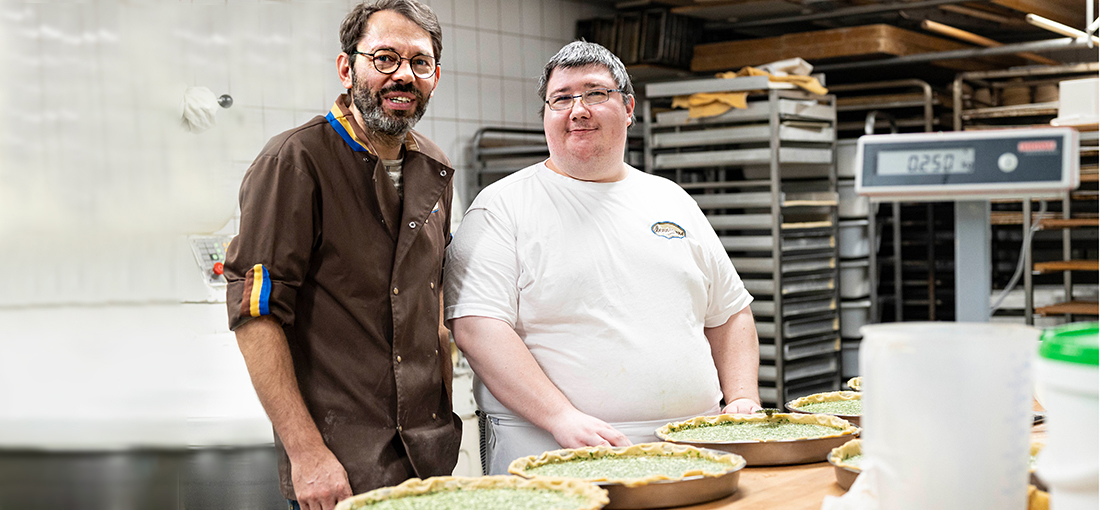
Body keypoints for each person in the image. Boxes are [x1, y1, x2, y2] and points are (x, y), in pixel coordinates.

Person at [443, 41, 762, 475]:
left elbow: (730, 312)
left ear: (628, 107)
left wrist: (742, 397)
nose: (578, 110)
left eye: (595, 93)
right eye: (562, 98)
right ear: (546, 115)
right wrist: (561, 417)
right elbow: (478, 328)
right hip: (552, 449)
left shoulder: (670, 199)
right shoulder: (502, 207)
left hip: (691, 446)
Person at [224, 1, 460, 509]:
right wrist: (306, 454)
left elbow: (432, 300)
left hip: (426, 459)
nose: (403, 76)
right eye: (385, 58)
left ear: (435, 76)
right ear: (347, 66)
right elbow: (255, 315)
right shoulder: (295, 161)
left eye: (419, 62)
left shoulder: (434, 168)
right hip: (340, 465)